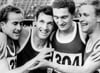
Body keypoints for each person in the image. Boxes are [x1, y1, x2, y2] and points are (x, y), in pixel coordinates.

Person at [0, 4, 53, 73]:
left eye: (21, 23)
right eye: (15, 23)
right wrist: (36, 59)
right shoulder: (2, 42)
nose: (19, 28)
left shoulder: (13, 38)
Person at [17, 5, 55, 73]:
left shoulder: (53, 42)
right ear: (35, 21)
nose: (45, 27)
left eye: (49, 23)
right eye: (42, 21)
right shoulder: (24, 34)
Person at [79, 0, 100, 72]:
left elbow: (84, 71)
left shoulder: (98, 47)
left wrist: (51, 64)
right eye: (80, 15)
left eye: (86, 15)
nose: (81, 19)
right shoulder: (88, 38)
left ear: (98, 17)